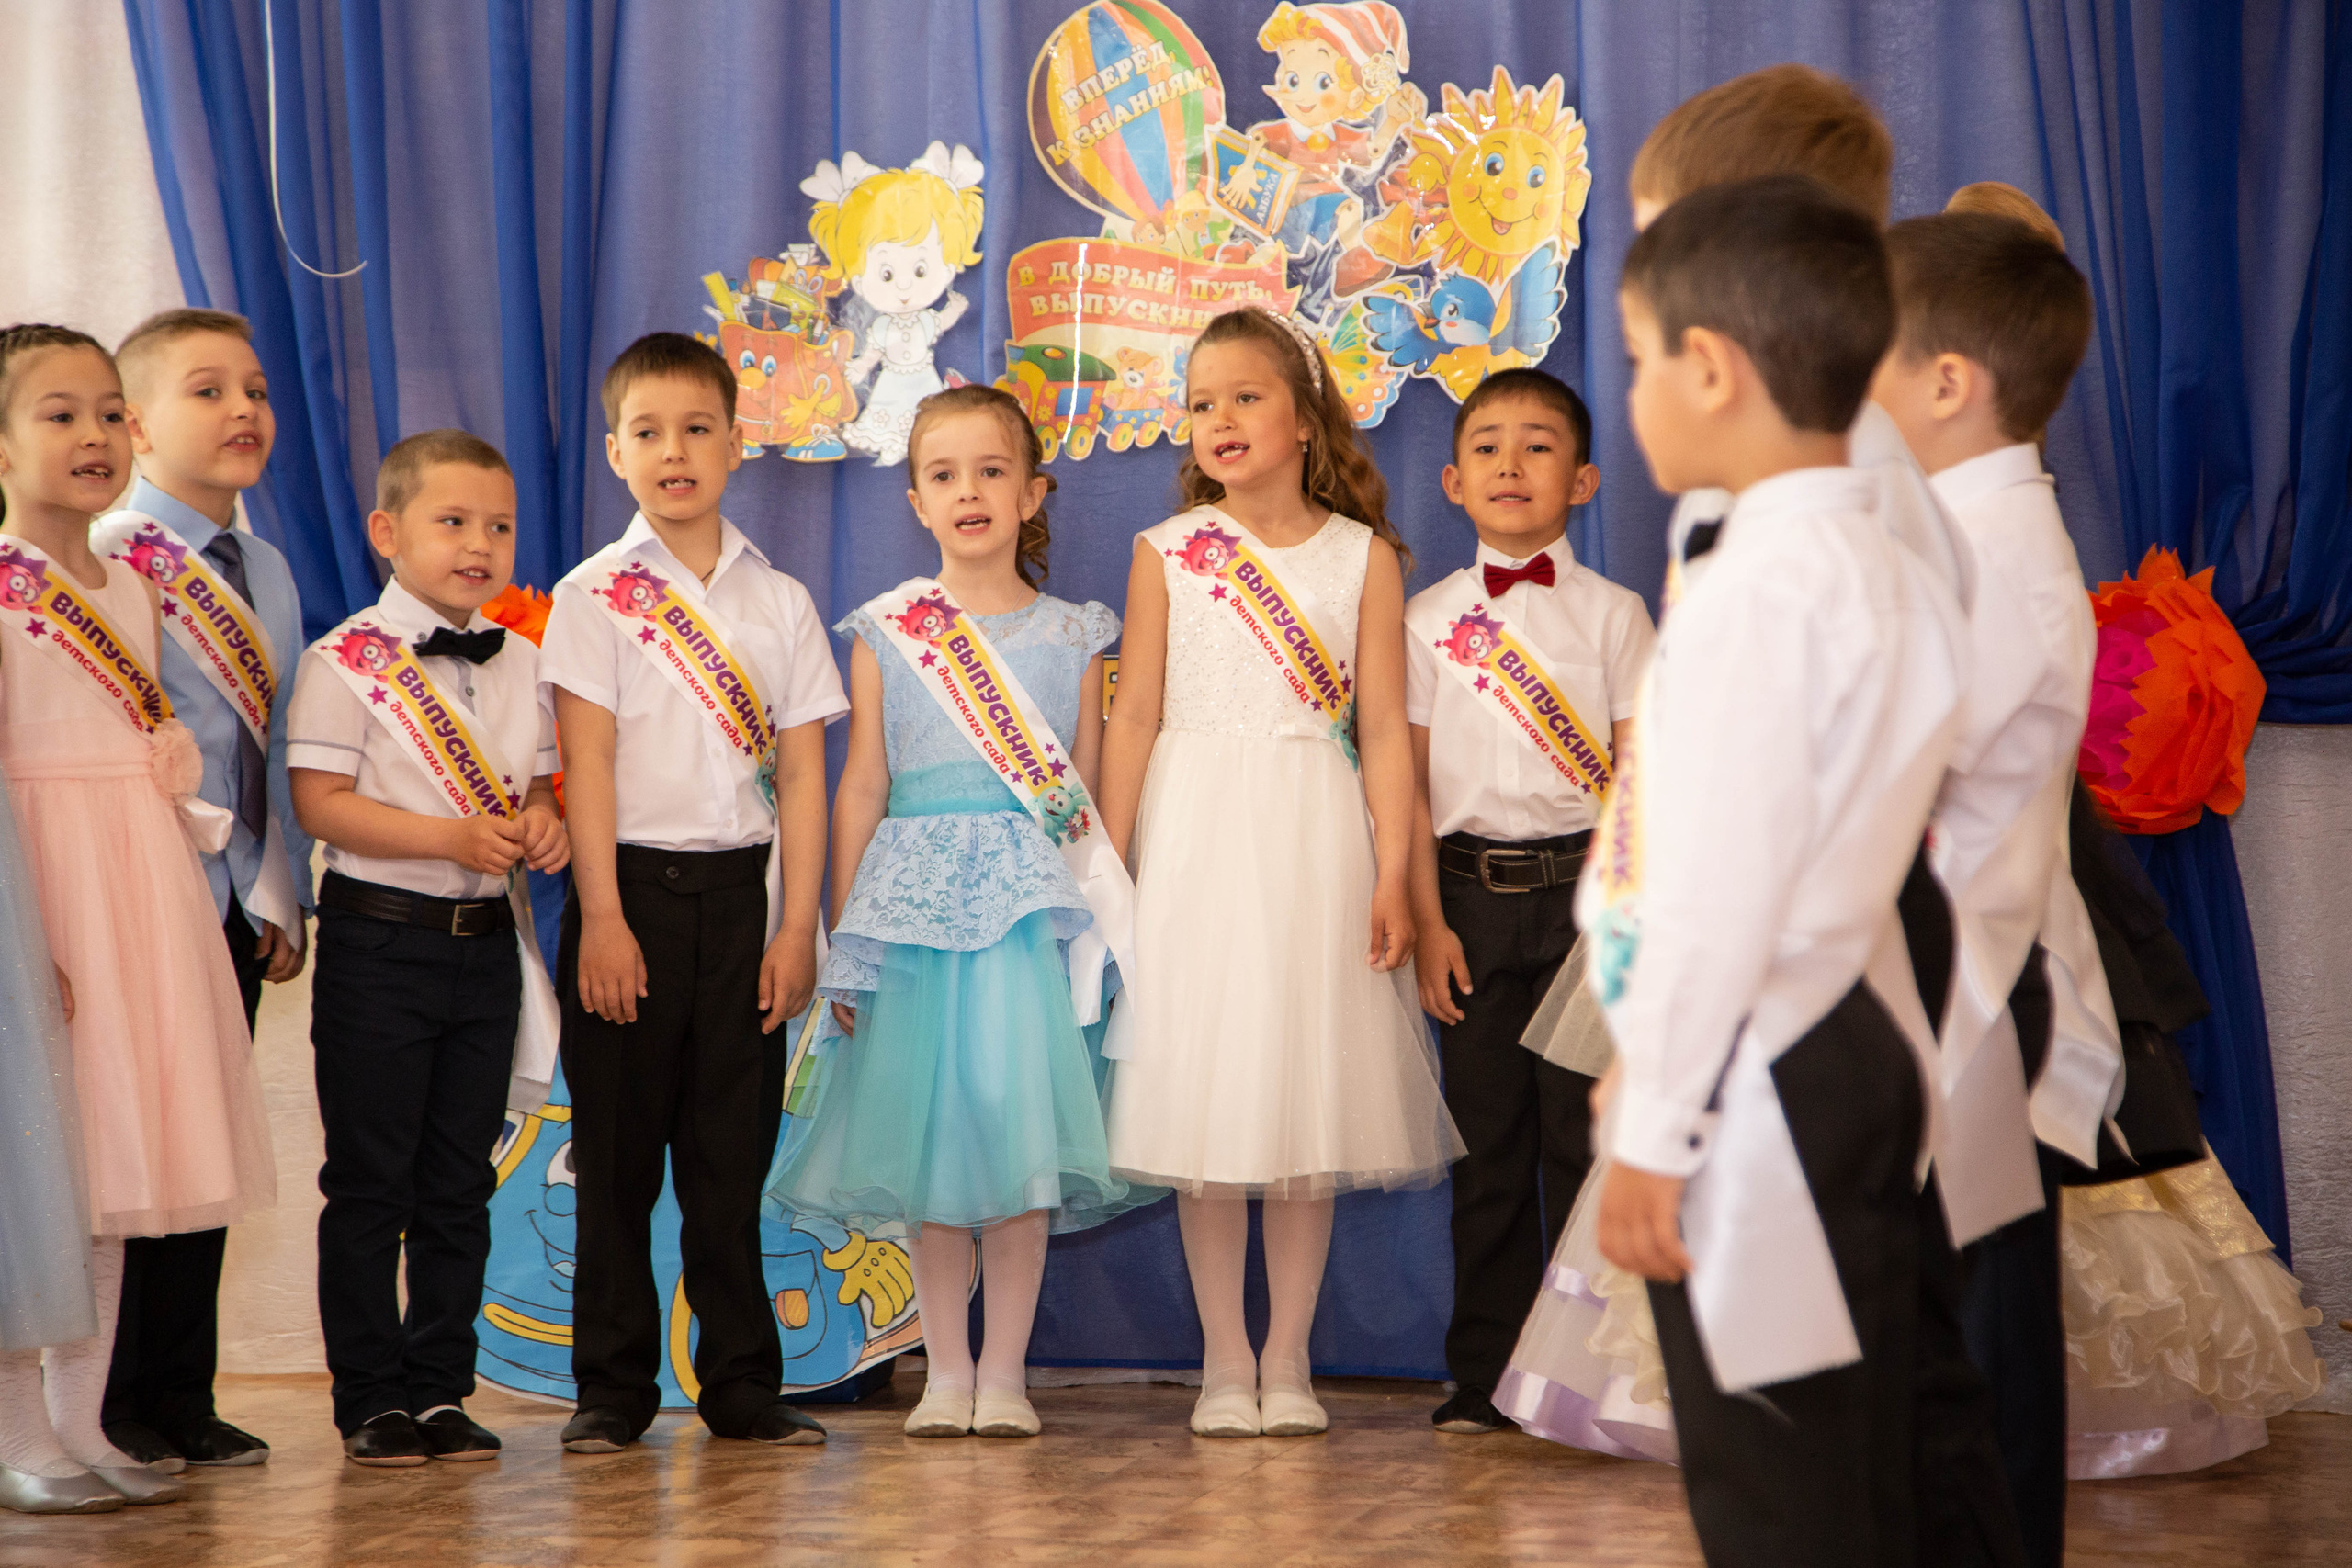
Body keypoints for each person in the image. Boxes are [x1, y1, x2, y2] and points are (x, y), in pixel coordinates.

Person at [1589, 179, 2025, 1566]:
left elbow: (1717, 891)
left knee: (1782, 1485)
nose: (1641, 391)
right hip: (1848, 1029)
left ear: (1710, 365)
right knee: (1868, 1452)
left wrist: (1653, 1123)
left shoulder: (1764, 592)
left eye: (1643, 357)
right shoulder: (1882, 554)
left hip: (1761, 1059)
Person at [1099, 306, 1463, 1439]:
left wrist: (1393, 873)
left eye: (1244, 397)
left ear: (1303, 421)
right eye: (1201, 402)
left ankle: (1289, 1360)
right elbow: (1137, 716)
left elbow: (1390, 733)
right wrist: (1112, 867)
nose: (1220, 420)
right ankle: (1222, 1363)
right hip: (1197, 830)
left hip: (1315, 832)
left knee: (1306, 1110)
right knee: (1205, 1109)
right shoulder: (1168, 554)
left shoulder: (1365, 558)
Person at [765, 384, 1153, 1438]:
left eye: (992, 471)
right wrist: (846, 935)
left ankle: (1007, 1374)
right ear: (916, 499)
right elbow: (860, 788)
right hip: (914, 909)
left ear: (1033, 494)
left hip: (1029, 912)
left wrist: (1100, 924)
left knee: (1020, 1141)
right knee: (933, 1148)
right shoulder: (889, 632)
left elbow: (1081, 781)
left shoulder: (1077, 634)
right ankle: (946, 1371)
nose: (968, 491)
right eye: (944, 475)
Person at [539, 333, 847, 1453]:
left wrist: (793, 924)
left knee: (730, 1159)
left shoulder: (781, 599)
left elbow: (805, 772)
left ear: (736, 441)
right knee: (618, 1161)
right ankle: (610, 1391)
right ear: (618, 453)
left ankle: (741, 1386)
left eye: (698, 428)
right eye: (648, 432)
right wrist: (606, 920)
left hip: (744, 905)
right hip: (631, 900)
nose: (675, 451)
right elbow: (592, 764)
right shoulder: (592, 597)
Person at [0, 324, 277, 1511]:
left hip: (139, 883)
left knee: (114, 1162)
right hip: (42, 888)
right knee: (38, 1171)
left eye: (110, 412)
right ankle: (18, 1431)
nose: (95, 435)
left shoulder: (128, 586)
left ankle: (80, 1422)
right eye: (60, 414)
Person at [1871, 199, 2101, 1566]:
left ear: (1948, 383)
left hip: (1956, 986)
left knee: (1974, 1346)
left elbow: (1882, 784)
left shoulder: (1988, 556)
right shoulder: (1960, 537)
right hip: (1932, 980)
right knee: (1940, 1343)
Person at [286, 430, 568, 1465]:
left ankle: (442, 1387)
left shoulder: (524, 657)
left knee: (459, 1181)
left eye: (497, 526)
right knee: (372, 1184)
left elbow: (538, 788)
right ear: (387, 531)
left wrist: (545, 824)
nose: (478, 544)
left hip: (484, 949)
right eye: (452, 522)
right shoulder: (344, 659)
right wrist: (452, 838)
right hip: (379, 946)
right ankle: (370, 1397)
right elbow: (320, 805)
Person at [1401, 367, 1651, 1435]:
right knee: (1490, 1154)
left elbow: (1642, 785)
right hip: (1468, 902)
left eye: (1539, 445)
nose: (1512, 464)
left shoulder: (1615, 615)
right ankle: (1487, 1377)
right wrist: (1423, 926)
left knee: (1584, 1149)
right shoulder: (1420, 622)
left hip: (1585, 905)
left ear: (1584, 479)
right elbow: (1403, 789)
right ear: (1453, 481)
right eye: (1489, 447)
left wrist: (1629, 933)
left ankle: (1598, 1375)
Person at [91, 307, 312, 1472]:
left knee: (208, 1146)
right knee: (137, 1150)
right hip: (138, 895)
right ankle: (113, 1398)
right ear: (135, 422)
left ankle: (184, 1393)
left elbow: (265, 753)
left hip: (233, 902)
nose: (244, 412)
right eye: (209, 390)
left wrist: (282, 891)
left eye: (258, 390)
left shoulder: (266, 567)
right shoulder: (111, 554)